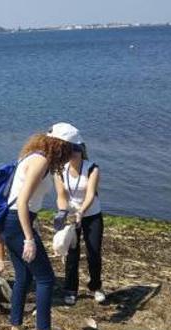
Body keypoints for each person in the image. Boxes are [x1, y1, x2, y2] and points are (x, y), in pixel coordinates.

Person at [0, 131, 73, 330]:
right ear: (62, 146)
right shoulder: (40, 161)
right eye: (72, 149)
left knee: (24, 276)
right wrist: (29, 238)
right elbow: (22, 202)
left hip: (12, 222)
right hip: (18, 222)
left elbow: (39, 198)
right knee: (46, 278)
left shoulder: (35, 157)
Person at [52, 123, 105, 305]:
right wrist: (62, 211)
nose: (74, 153)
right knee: (72, 253)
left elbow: (90, 194)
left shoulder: (92, 168)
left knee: (93, 252)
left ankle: (96, 286)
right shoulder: (59, 170)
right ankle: (70, 289)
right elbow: (61, 195)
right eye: (71, 149)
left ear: (82, 150)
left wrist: (82, 211)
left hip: (91, 214)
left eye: (77, 149)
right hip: (71, 215)